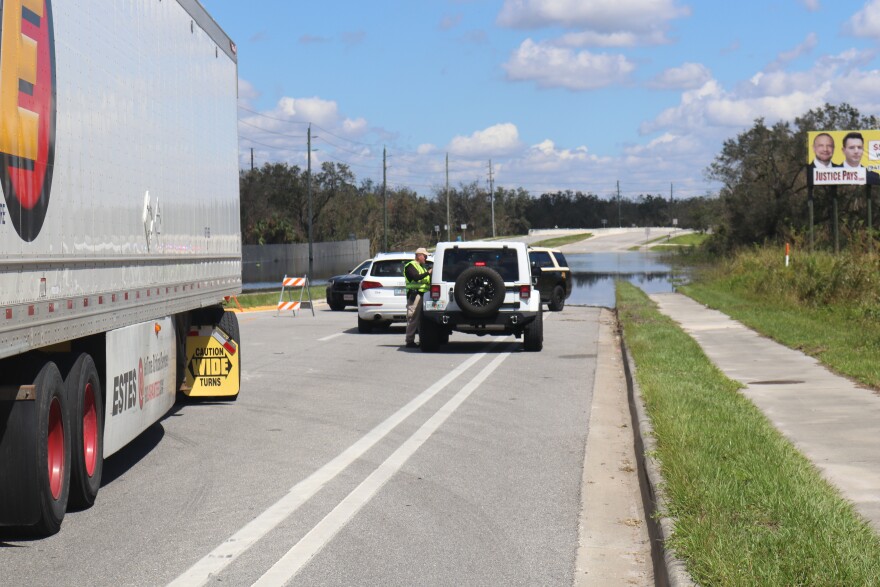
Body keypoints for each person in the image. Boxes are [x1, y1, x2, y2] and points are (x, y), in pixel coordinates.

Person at [403, 247, 432, 348]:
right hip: (415, 296)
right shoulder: (410, 266)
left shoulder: (422, 267)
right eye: (424, 256)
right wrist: (428, 272)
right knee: (413, 318)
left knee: (421, 319)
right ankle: (409, 341)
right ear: (419, 256)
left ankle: (422, 340)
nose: (425, 258)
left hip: (424, 295)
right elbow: (415, 277)